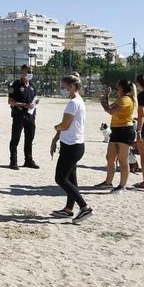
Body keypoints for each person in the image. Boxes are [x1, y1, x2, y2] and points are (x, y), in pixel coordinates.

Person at [49, 74, 92, 223]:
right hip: (74, 145)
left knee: (60, 178)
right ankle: (68, 209)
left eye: (64, 87)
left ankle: (85, 208)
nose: (62, 89)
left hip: (72, 147)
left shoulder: (73, 103)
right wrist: (56, 138)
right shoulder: (79, 101)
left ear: (72, 86)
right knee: (71, 180)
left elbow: (65, 125)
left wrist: (56, 127)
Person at [96, 79, 137, 192]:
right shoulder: (121, 99)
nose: (116, 89)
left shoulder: (126, 99)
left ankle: (122, 186)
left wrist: (103, 99)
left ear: (123, 88)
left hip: (124, 131)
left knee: (123, 160)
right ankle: (108, 182)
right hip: (117, 130)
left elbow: (110, 111)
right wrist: (106, 97)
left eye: (118, 87)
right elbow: (109, 108)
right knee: (110, 157)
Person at [7, 65, 40, 170]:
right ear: (22, 73)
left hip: (30, 117)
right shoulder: (16, 85)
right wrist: (23, 105)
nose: (30, 73)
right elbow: (10, 101)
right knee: (15, 139)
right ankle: (13, 161)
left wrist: (34, 105)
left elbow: (33, 100)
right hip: (19, 116)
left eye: (31, 71)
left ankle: (28, 160)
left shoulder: (32, 86)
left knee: (29, 139)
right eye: (28, 72)